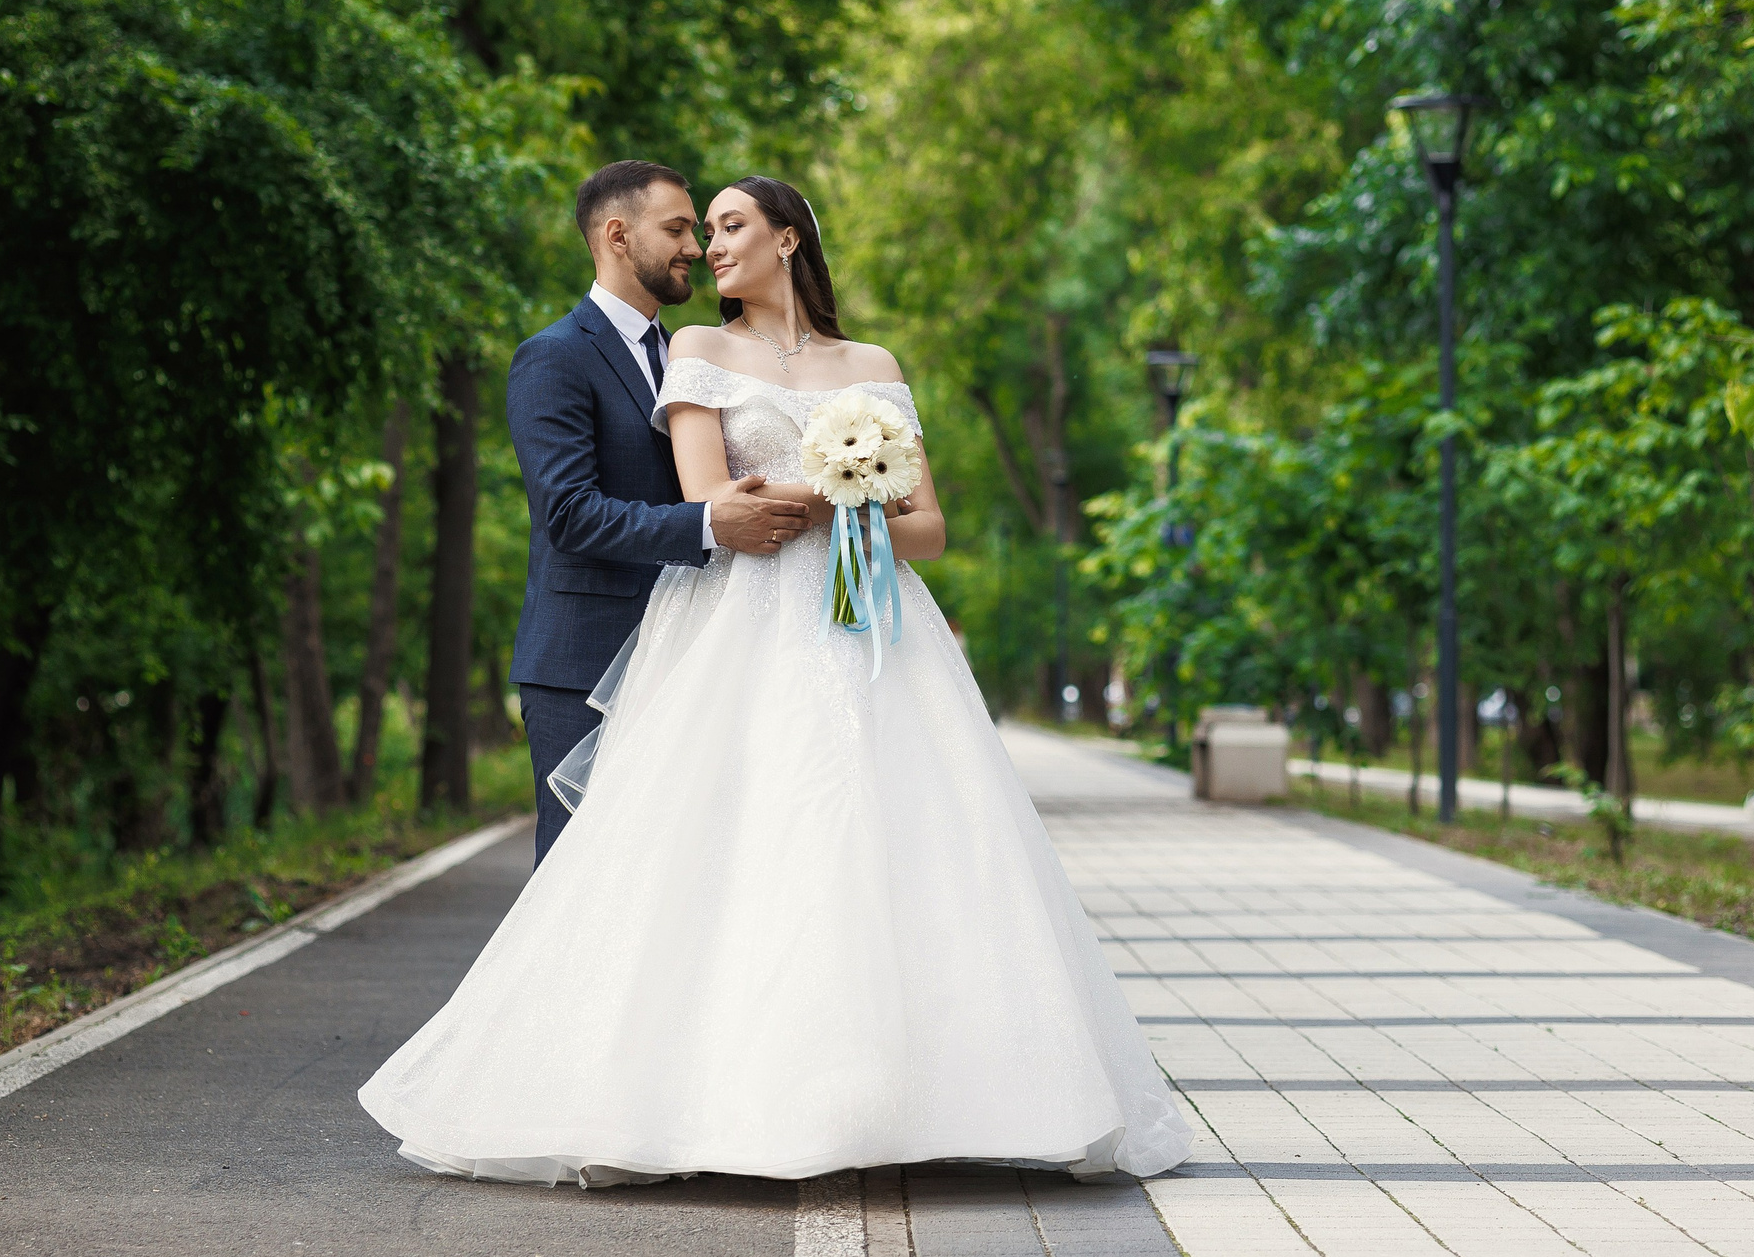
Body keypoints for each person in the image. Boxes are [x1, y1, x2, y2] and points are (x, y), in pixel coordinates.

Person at [359, 175, 1190, 1185]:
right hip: (741, 625)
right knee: (719, 849)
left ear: (788, 240)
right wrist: (841, 485)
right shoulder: (699, 353)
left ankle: (918, 1096)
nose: (709, 246)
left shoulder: (872, 366)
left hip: (872, 627)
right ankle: (675, 1099)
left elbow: (924, 526)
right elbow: (711, 499)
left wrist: (860, 498)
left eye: (727, 226)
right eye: (696, 229)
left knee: (900, 843)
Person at [501, 161, 809, 860]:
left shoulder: (692, 357)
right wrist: (706, 525)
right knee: (579, 875)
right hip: (584, 656)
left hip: (696, 652)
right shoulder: (551, 358)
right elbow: (570, 513)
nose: (696, 247)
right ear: (617, 235)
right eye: (676, 229)